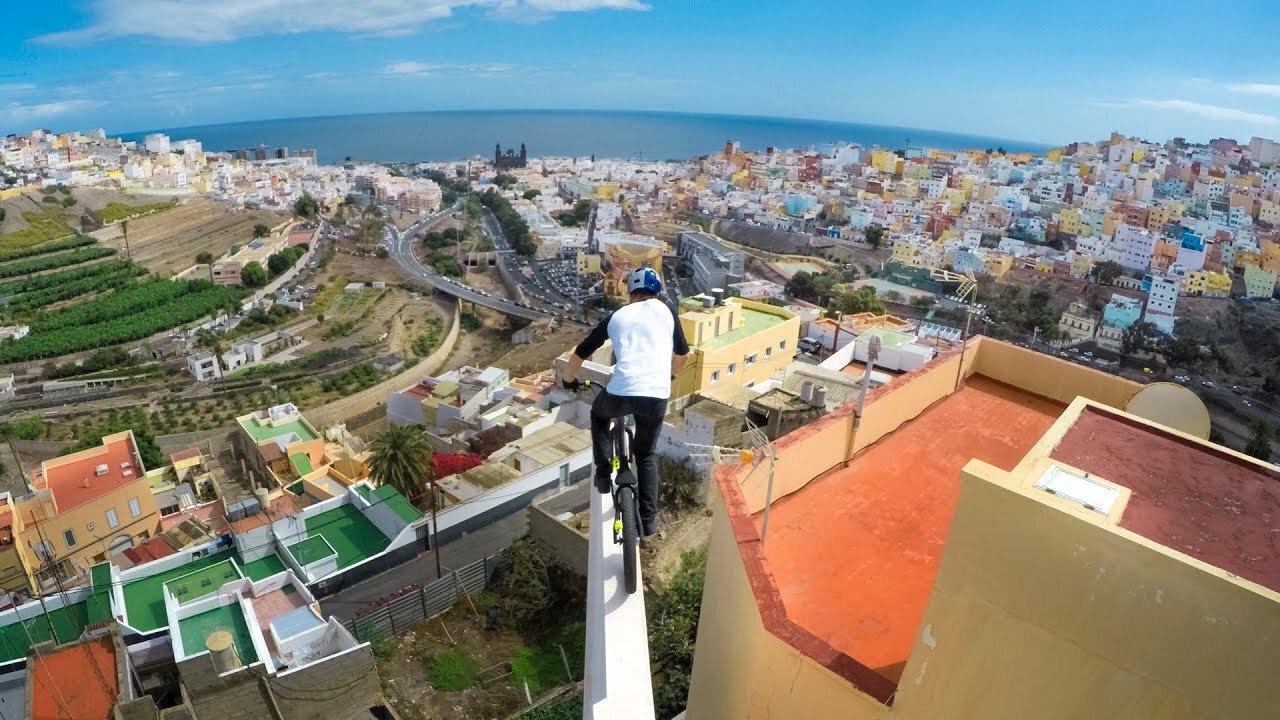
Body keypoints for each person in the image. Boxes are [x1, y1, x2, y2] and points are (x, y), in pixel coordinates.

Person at [561, 267, 689, 537]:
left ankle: (604, 474)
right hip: (655, 395)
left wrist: (568, 380)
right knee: (646, 455)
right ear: (657, 292)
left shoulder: (616, 316)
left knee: (599, 415)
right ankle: (649, 521)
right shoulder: (667, 312)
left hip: (621, 393)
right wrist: (669, 375)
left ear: (630, 292)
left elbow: (582, 352)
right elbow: (682, 355)